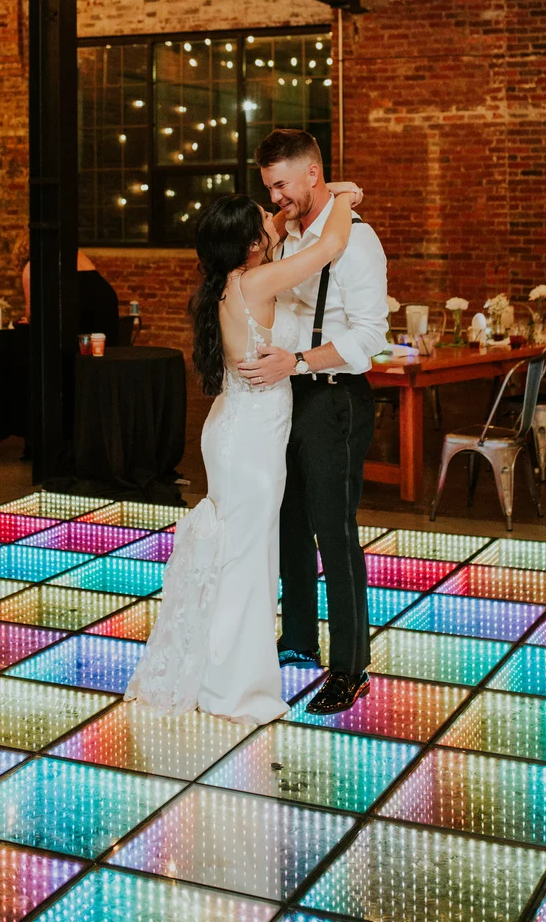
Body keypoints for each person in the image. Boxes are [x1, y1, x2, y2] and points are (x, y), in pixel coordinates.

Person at [125, 184, 360, 723]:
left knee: (235, 554)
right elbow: (328, 248)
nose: (273, 220)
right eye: (264, 221)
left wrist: (289, 207)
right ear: (251, 244)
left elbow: (275, 225)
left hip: (232, 432)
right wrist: (343, 196)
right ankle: (236, 690)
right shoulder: (257, 280)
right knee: (249, 563)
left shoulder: (226, 280)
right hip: (250, 445)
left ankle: (213, 671)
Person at [239, 129, 388, 715]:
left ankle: (351, 667)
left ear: (311, 174)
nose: (276, 196)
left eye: (281, 184)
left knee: (334, 531)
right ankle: (298, 638)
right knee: (290, 526)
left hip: (335, 398)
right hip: (285, 399)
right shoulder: (288, 235)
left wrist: (298, 361)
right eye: (268, 186)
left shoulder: (359, 241)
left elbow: (370, 338)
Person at [13, 233, 120, 344]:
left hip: (75, 327)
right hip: (104, 313)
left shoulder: (33, 266)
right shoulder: (79, 256)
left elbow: (33, 316)